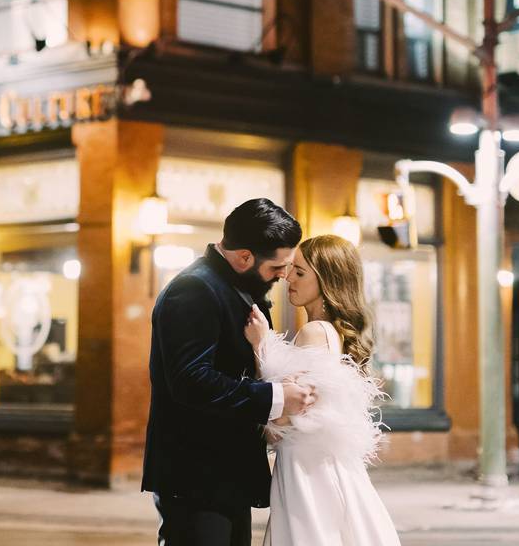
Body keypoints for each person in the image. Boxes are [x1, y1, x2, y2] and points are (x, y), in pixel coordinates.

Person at [142, 198, 315, 546]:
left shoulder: (232, 284)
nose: (283, 276)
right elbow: (191, 380)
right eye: (277, 267)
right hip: (196, 476)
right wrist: (276, 397)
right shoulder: (194, 289)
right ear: (245, 257)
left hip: (223, 475)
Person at [244, 234, 401, 546]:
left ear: (328, 281)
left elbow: (284, 420)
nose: (288, 277)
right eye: (291, 269)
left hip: (308, 472)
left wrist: (261, 346)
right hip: (319, 465)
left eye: (300, 273)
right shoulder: (331, 333)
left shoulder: (314, 332)